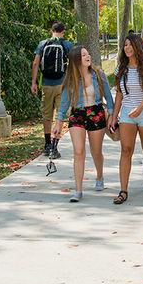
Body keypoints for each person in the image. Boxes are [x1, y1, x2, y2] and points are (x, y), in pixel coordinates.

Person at [52, 45, 113, 202]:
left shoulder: (98, 74)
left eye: (88, 53)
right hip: (77, 114)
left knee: (96, 151)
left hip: (96, 113)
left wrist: (112, 114)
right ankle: (78, 190)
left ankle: (99, 177)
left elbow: (108, 95)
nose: (88, 57)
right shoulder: (71, 78)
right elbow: (64, 102)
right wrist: (58, 122)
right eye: (84, 55)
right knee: (78, 152)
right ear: (77, 60)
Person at [108, 34, 143, 205]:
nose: (127, 48)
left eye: (130, 45)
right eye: (125, 45)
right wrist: (114, 117)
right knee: (126, 149)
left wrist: (139, 109)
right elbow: (119, 94)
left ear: (137, 46)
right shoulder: (121, 68)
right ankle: (123, 190)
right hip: (127, 114)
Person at [31, 22, 73, 158]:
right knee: (59, 115)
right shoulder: (67, 45)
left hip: (46, 85)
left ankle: (47, 144)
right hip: (62, 85)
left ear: (51, 31)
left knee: (47, 115)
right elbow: (74, 63)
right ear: (63, 31)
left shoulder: (43, 44)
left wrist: (34, 82)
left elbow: (36, 63)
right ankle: (54, 147)